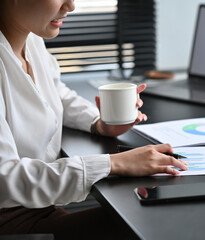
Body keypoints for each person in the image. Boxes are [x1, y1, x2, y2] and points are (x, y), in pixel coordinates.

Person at [0, 0, 188, 239]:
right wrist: (113, 163)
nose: (71, 5)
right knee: (154, 222)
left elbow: (57, 95)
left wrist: (99, 123)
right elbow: (5, 179)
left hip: (38, 205)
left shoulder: (32, 40)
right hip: (11, 219)